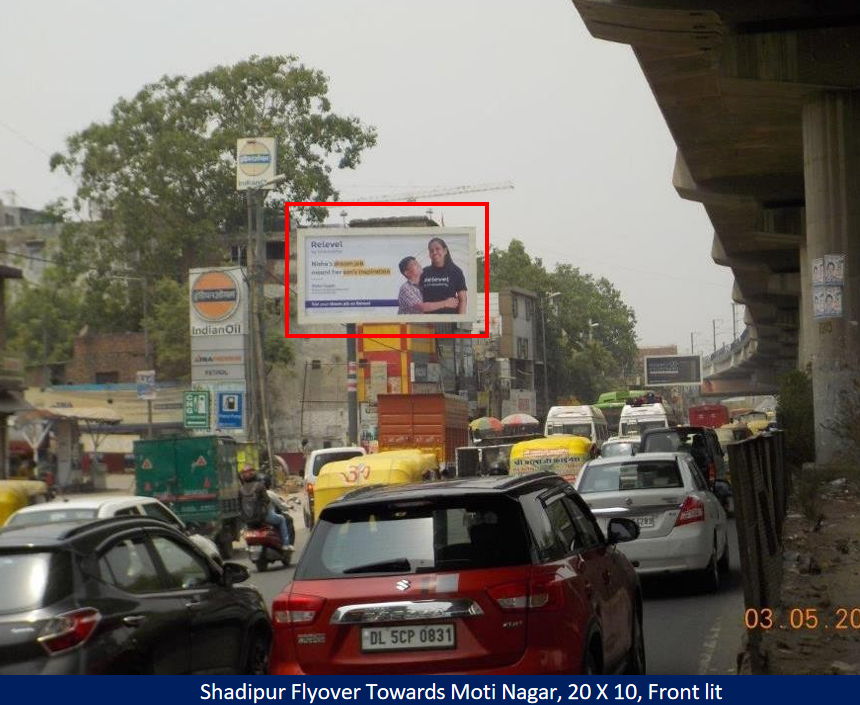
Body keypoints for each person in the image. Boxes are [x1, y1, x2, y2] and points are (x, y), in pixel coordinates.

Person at [238, 464, 293, 549]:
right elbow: (266, 500)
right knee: (282, 519)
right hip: (263, 518)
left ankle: (249, 547)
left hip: (247, 520)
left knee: (245, 531)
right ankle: (286, 544)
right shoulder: (260, 486)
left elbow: (239, 505)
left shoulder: (240, 490)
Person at [419, 238, 467, 314]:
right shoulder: (424, 272)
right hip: (427, 322)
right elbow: (417, 299)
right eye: (431, 251)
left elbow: (463, 299)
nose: (434, 252)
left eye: (437, 249)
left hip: (449, 321)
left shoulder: (456, 271)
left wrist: (461, 322)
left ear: (445, 251)